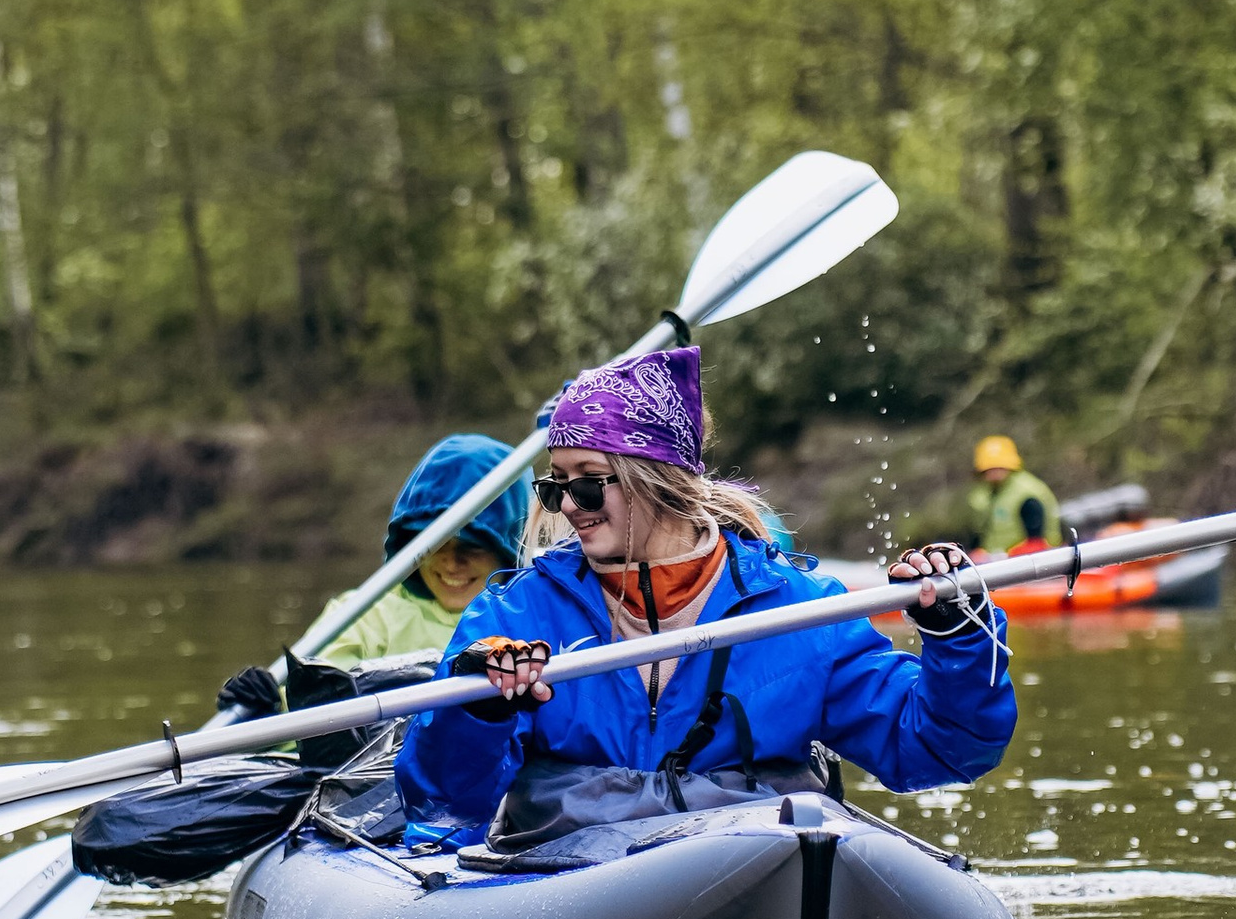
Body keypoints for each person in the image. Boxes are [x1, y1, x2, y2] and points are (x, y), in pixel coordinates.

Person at [394, 346, 1013, 851]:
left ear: (653, 480)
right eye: (555, 488)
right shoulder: (519, 614)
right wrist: (476, 707)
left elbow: (937, 748)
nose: (566, 510)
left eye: (586, 485)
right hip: (568, 885)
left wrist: (960, 633)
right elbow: (444, 801)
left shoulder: (797, 609)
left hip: (747, 874)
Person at [303, 433, 530, 664]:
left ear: (510, 552)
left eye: (472, 547)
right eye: (435, 545)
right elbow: (307, 693)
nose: (451, 564)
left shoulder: (539, 613)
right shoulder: (361, 617)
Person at [969, 433, 1059, 555]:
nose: (993, 473)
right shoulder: (987, 494)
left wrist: (1006, 555)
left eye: (998, 468)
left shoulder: (1026, 493)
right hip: (1000, 562)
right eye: (989, 469)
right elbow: (983, 533)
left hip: (1033, 561)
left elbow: (1036, 542)